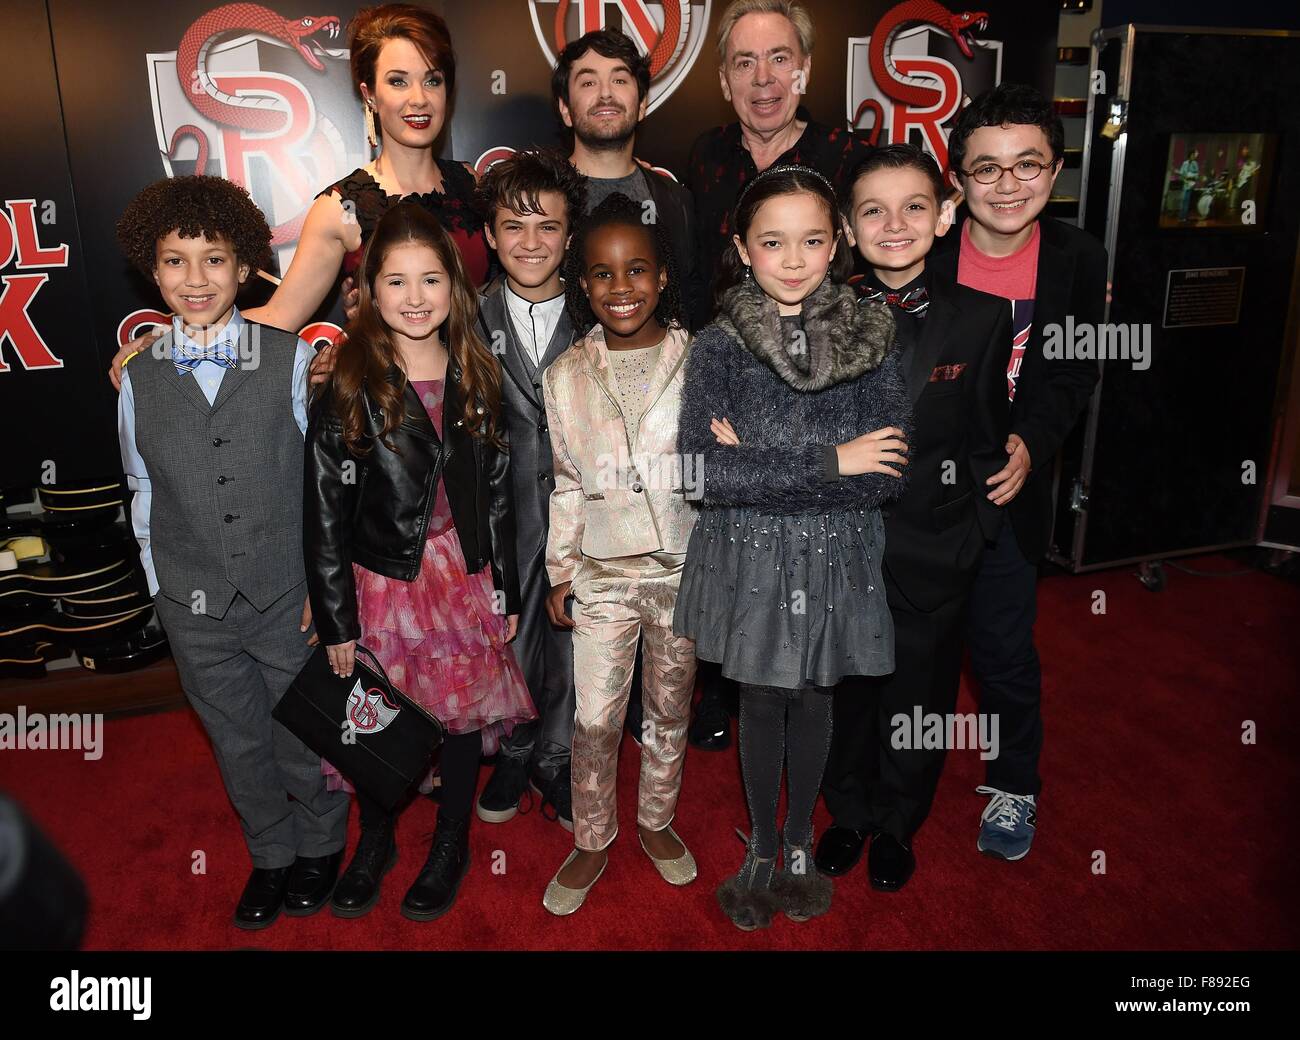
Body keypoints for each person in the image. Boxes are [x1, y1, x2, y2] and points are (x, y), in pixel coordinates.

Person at [674, 164, 910, 930]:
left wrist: (760, 461)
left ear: (838, 240)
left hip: (836, 551)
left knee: (814, 698)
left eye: (812, 239)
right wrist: (828, 457)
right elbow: (699, 472)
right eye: (773, 242)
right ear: (743, 248)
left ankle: (803, 840)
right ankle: (763, 848)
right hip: (748, 553)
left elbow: (884, 478)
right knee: (762, 699)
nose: (795, 257)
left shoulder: (873, 334)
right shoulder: (716, 346)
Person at [115, 175, 349, 929]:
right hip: (193, 607)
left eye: (213, 259)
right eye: (176, 262)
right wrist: (161, 588)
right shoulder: (136, 378)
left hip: (284, 594)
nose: (195, 279)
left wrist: (321, 583)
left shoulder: (285, 358)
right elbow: (141, 488)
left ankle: (320, 845)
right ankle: (271, 855)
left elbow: (318, 487)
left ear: (245, 266)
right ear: (153, 272)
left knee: (296, 729)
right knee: (236, 740)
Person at [304, 202, 534, 921]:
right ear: (368, 290)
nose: (414, 298)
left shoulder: (477, 369)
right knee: (378, 721)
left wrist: (506, 587)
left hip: (463, 580)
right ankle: (374, 840)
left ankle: (451, 842)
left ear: (456, 287)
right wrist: (337, 619)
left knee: (461, 719)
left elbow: (498, 493)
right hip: (383, 584)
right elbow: (322, 512)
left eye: (431, 279)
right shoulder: (350, 378)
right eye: (395, 282)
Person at [816, 145, 1013, 891]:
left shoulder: (983, 319)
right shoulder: (816, 315)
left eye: (913, 206)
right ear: (846, 225)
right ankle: (847, 814)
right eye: (873, 209)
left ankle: (900, 823)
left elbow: (989, 441)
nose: (894, 224)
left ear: (945, 216)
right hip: (836, 551)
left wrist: (974, 537)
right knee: (846, 696)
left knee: (920, 700)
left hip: (935, 551)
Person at [107, 4, 484, 390]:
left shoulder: (471, 183)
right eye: (398, 82)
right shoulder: (341, 208)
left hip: (482, 388)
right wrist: (174, 343)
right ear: (370, 95)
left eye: (432, 80)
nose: (418, 99)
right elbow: (279, 315)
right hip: (398, 400)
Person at [684, 0, 876, 751]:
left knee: (813, 547)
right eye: (743, 62)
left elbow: (871, 279)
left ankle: (811, 685)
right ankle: (726, 680)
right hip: (732, 374)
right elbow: (699, 283)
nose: (762, 78)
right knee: (733, 537)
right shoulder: (704, 157)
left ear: (804, 69)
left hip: (822, 382)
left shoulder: (847, 153)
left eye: (778, 59)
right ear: (724, 78)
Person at [931, 83, 1106, 861]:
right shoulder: (924, 246)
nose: (1008, 185)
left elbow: (1074, 372)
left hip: (1011, 489)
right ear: (958, 178)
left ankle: (1016, 785)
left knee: (1001, 650)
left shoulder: (1077, 256)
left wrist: (1033, 442)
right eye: (986, 169)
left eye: (1027, 165)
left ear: (1057, 169)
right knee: (907, 648)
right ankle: (893, 775)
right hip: (923, 491)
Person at [539, 193, 698, 916]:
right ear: (583, 286)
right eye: (602, 274)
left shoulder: (702, 361)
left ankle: (657, 821)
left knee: (669, 709)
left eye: (637, 269)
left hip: (684, 569)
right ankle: (593, 836)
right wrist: (560, 571)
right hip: (601, 572)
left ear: (663, 276)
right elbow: (567, 481)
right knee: (596, 719)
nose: (621, 286)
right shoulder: (565, 375)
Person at [472, 150, 587, 832]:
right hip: (500, 518)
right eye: (514, 226)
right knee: (510, 641)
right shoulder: (463, 314)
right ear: (489, 235)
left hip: (584, 521)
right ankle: (514, 748)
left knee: (575, 645)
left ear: (571, 236)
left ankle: (556, 756)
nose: (532, 242)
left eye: (548, 227)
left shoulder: (601, 307)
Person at [552, 27, 706, 331]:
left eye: (619, 80)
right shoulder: (538, 198)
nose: (606, 93)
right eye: (588, 82)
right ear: (566, 109)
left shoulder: (676, 202)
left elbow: (687, 307)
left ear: (642, 105)